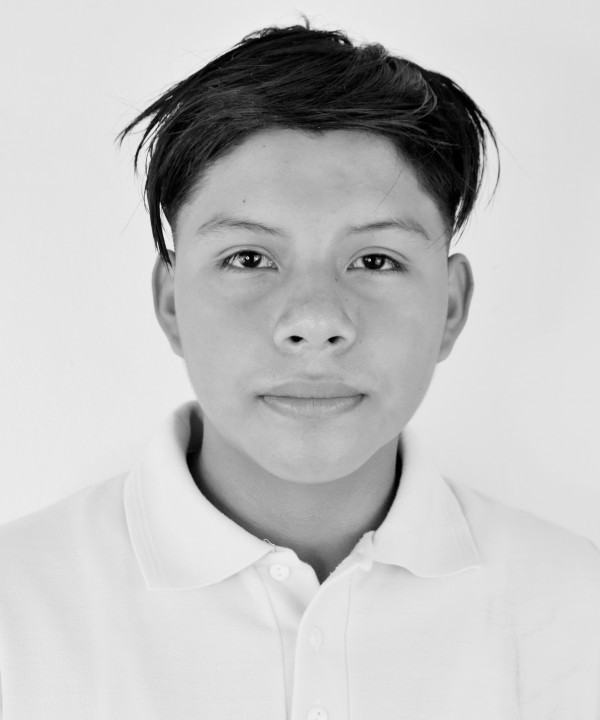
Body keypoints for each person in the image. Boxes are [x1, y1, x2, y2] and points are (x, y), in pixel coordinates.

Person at [0, 21, 599, 720]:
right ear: (170, 301)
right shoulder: (19, 608)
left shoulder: (575, 612)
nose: (315, 321)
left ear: (451, 306)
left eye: (375, 260)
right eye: (249, 259)